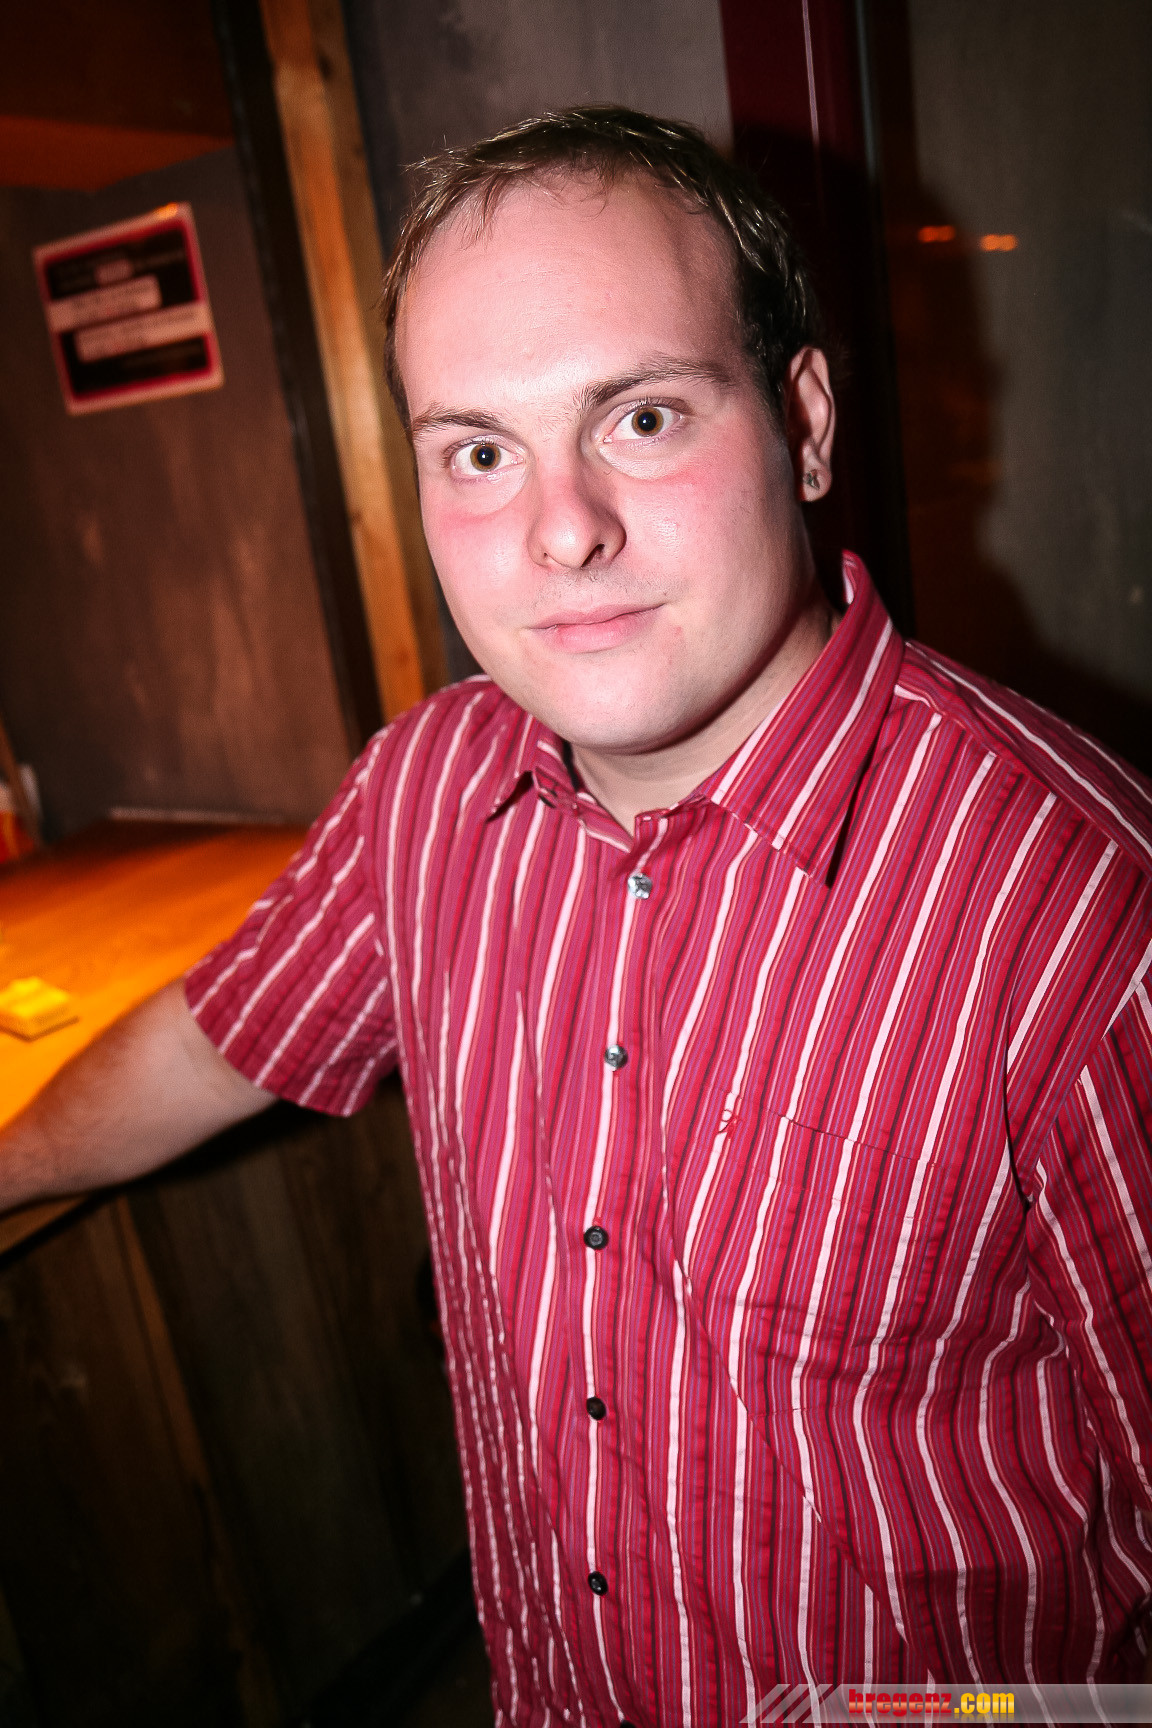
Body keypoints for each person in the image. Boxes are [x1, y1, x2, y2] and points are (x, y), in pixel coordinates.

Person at [2, 107, 1151, 1725]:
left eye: (644, 417)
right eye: (479, 451)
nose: (562, 530)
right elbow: (218, 1040)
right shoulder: (422, 792)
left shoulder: (1085, 914)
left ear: (805, 423)